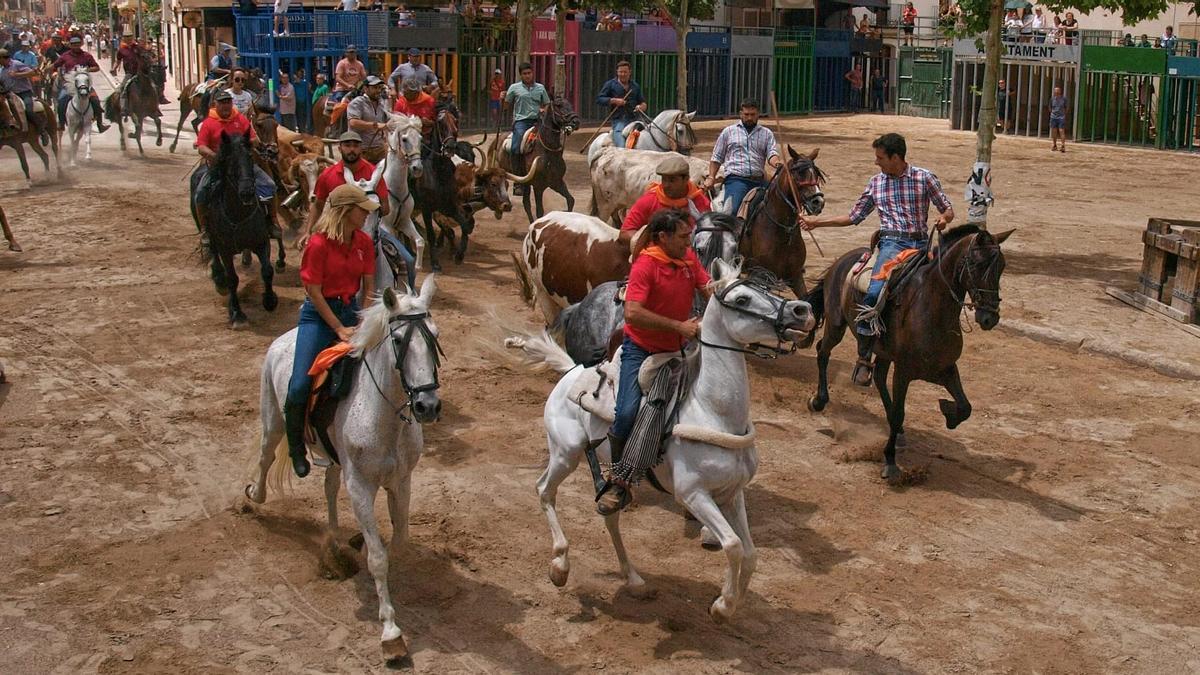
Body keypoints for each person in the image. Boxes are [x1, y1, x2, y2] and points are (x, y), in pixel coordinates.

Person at [798, 133, 953, 386]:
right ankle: (863, 356)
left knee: (947, 285)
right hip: (892, 245)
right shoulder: (875, 183)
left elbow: (947, 208)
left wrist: (944, 218)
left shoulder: (925, 178)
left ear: (896, 157)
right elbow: (853, 217)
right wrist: (818, 223)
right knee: (874, 292)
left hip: (921, 244)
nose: (876, 163)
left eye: (880, 158)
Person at [597, 209, 713, 514]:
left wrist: (728, 292)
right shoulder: (646, 264)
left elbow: (708, 289)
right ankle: (617, 480)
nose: (689, 241)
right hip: (643, 350)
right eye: (684, 236)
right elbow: (632, 313)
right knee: (626, 414)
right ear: (663, 237)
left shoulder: (687, 259)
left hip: (680, 348)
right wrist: (679, 326)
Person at [285, 182, 380, 478]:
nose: (366, 215)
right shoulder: (318, 244)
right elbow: (313, 291)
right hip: (319, 315)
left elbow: (368, 285)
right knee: (300, 383)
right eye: (362, 210)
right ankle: (296, 447)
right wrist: (338, 328)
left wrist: (364, 319)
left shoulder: (364, 241)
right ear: (346, 212)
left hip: (353, 310)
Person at [192, 89, 279, 243]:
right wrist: (215, 156)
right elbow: (201, 146)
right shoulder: (208, 123)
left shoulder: (240, 119)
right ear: (215, 104)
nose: (226, 105)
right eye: (222, 102)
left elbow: (253, 138)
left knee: (270, 184)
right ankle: (205, 229)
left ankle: (272, 221)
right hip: (219, 166)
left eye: (228, 102)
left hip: (243, 165)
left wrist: (254, 143)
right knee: (200, 192)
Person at [704, 99, 781, 217]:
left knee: (781, 204)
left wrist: (777, 163)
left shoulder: (767, 133)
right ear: (741, 114)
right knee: (732, 211)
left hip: (759, 180)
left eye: (753, 114)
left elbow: (772, 153)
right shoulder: (728, 132)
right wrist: (711, 177)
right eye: (746, 114)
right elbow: (717, 157)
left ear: (758, 114)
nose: (749, 118)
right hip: (736, 180)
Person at [620, 154, 710, 245]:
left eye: (672, 180)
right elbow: (625, 233)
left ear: (686, 179)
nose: (666, 185)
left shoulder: (701, 202)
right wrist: (654, 244)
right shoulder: (649, 200)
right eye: (664, 180)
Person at [504, 62, 550, 196]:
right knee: (516, 148)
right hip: (521, 122)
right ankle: (518, 182)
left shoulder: (540, 88)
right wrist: (503, 99)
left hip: (538, 121)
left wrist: (544, 110)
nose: (527, 76)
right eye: (524, 74)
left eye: (529, 73)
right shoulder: (514, 88)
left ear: (532, 73)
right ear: (521, 75)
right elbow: (506, 106)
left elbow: (547, 103)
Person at [47, 35, 108, 132]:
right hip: (69, 83)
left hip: (84, 83)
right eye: (73, 44)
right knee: (61, 100)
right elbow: (55, 65)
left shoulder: (87, 56)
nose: (76, 46)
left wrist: (88, 69)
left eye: (77, 44)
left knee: (95, 100)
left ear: (81, 44)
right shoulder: (65, 56)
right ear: (70, 45)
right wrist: (45, 69)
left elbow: (96, 67)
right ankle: (61, 123)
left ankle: (100, 124)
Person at [0, 49, 48, 144]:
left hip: (24, 93)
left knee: (28, 110)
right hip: (9, 94)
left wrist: (17, 74)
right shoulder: (1, 70)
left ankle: (42, 130)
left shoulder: (16, 64)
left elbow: (33, 73)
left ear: (3, 58)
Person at [596, 60, 647, 148]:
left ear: (630, 72)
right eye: (620, 72)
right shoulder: (610, 84)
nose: (623, 74)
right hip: (619, 120)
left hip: (636, 119)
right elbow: (599, 99)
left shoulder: (635, 86)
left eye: (625, 72)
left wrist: (641, 107)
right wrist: (614, 100)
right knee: (622, 146)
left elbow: (643, 102)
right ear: (617, 72)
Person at [346, 75, 390, 162]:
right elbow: (353, 123)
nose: (378, 91)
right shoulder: (357, 102)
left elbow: (387, 121)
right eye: (375, 88)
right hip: (361, 149)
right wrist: (376, 125)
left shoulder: (382, 103)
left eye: (379, 88)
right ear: (365, 88)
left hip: (379, 148)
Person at [1049, 85, 1068, 153]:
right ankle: (1054, 145)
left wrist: (1063, 115)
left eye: (1057, 91)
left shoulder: (1064, 99)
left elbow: (1066, 108)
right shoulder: (1052, 99)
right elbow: (1050, 107)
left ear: (1060, 92)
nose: (1056, 92)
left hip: (1061, 117)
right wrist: (1052, 114)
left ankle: (1063, 146)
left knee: (1061, 131)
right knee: (1054, 131)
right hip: (1053, 117)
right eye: (1055, 91)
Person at [292, 67, 310, 132]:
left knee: (305, 116)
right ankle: (301, 129)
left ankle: (304, 129)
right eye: (298, 74)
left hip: (305, 102)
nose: (299, 75)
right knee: (299, 117)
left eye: (300, 74)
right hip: (298, 103)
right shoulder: (294, 84)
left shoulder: (305, 82)